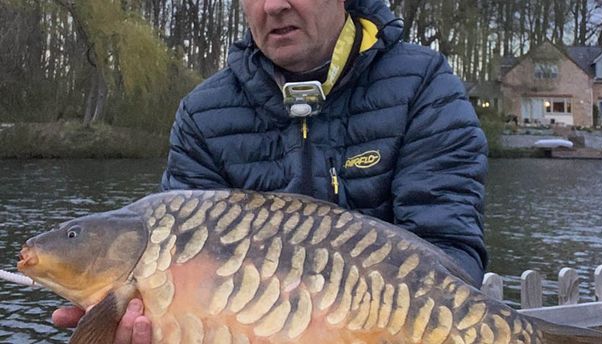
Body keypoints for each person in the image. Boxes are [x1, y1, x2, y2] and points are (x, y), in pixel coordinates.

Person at [53, 0, 488, 341]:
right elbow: (175, 271)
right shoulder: (204, 116)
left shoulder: (423, 85)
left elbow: (450, 256)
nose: (273, 5)